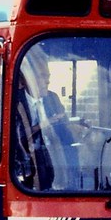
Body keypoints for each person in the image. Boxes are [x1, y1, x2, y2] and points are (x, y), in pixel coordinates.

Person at [12, 48, 77, 190]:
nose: (48, 81)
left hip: (55, 162)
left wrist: (74, 127)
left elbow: (66, 136)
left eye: (48, 76)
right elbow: (16, 139)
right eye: (42, 76)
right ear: (27, 78)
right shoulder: (14, 101)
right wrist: (44, 125)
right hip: (27, 168)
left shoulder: (52, 99)